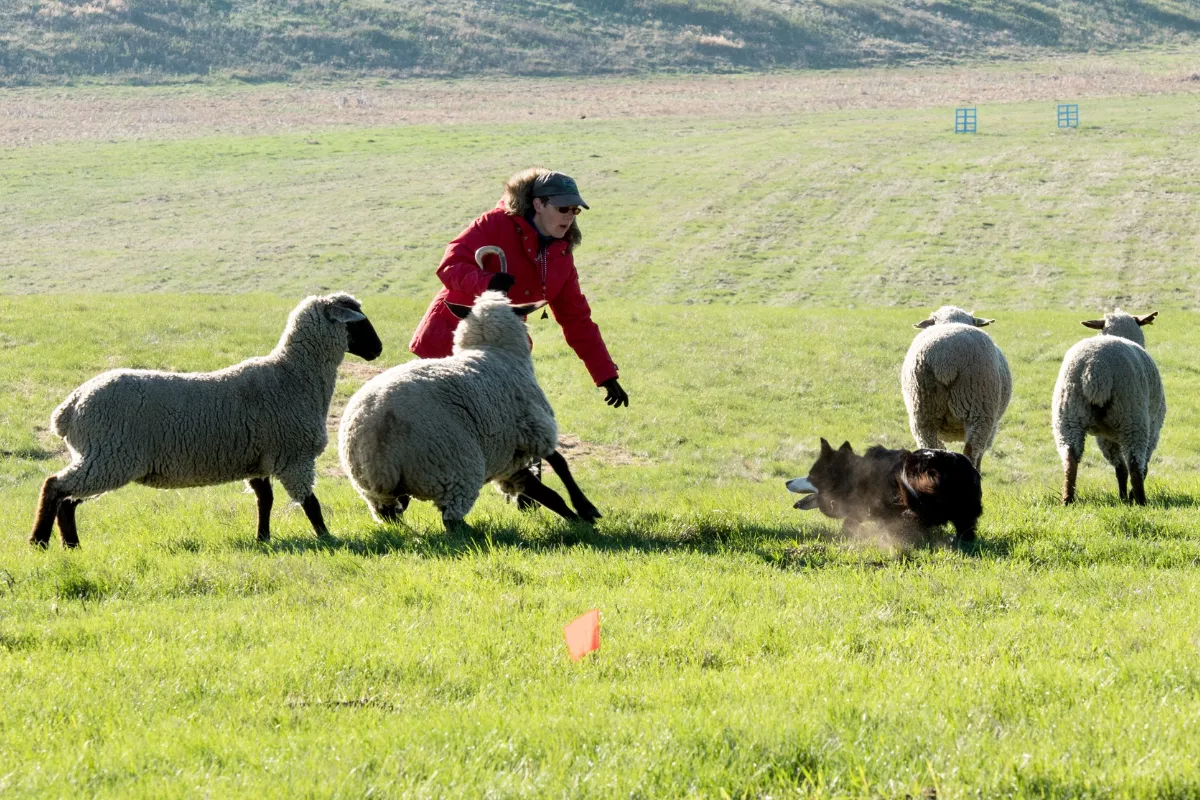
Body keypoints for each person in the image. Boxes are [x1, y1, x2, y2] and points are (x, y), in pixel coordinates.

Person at [409, 167, 629, 408]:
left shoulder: (561, 255)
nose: (569, 216)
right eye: (562, 208)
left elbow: (577, 320)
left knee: (510, 424)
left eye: (575, 210)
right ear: (538, 205)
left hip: (502, 349)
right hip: (450, 338)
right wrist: (487, 282)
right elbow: (449, 266)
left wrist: (605, 374)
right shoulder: (494, 223)